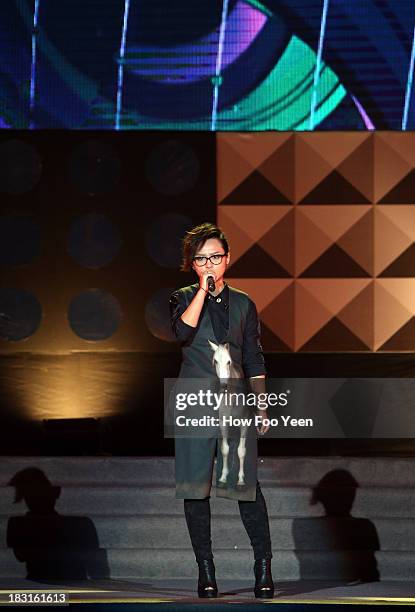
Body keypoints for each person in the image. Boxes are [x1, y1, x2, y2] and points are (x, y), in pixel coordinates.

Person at [169, 222, 274, 599]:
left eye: (215, 256)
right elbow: (181, 334)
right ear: (192, 264)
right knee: (196, 489)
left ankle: (263, 567)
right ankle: (206, 572)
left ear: (227, 259)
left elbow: (253, 355)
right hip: (194, 401)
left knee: (246, 487)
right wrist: (201, 290)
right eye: (201, 259)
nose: (209, 263)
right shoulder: (182, 297)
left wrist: (261, 404)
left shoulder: (244, 303)